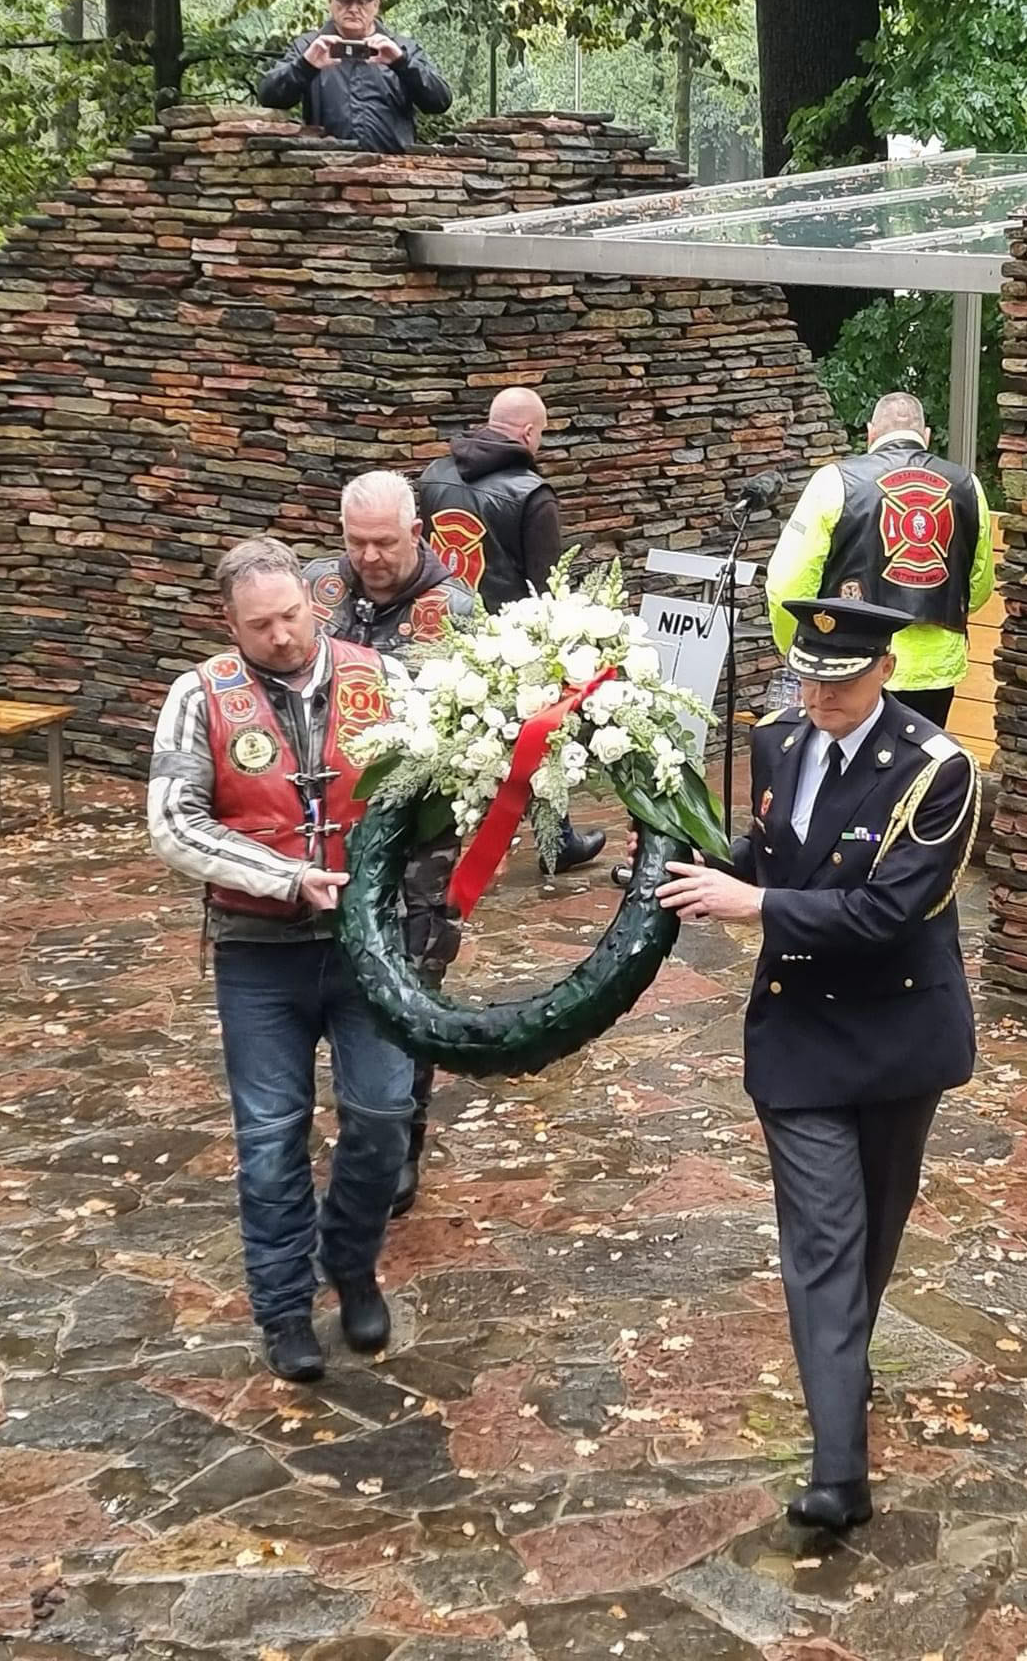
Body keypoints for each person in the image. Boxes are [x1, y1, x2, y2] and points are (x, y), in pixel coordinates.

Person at [656, 597, 979, 1531]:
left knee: (875, 1229)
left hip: (896, 1034)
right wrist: (692, 864)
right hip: (798, 1032)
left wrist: (751, 905)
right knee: (824, 1242)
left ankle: (844, 1362)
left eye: (838, 682)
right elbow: (775, 853)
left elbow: (888, 912)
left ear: (885, 670)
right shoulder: (779, 740)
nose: (818, 697)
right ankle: (840, 1471)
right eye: (806, 679)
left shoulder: (938, 770)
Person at [147, 537, 415, 1384]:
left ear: (313, 603)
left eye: (293, 616)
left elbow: (434, 787)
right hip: (258, 952)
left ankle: (351, 1261)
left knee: (383, 1117)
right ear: (230, 625)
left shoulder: (384, 678)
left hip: (367, 946)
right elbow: (173, 822)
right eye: (260, 625)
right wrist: (285, 876)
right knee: (269, 1140)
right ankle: (284, 1308)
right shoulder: (198, 696)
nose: (283, 636)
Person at [302, 470, 475, 1218]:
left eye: (385, 542)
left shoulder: (456, 610)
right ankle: (355, 1118)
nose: (369, 557)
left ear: (417, 534)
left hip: (416, 835)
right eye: (356, 542)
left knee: (411, 979)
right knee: (330, 981)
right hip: (322, 827)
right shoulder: (313, 592)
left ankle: (401, 1137)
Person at [419, 384, 604, 872]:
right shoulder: (531, 494)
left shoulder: (433, 475)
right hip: (507, 640)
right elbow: (547, 585)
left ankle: (439, 846)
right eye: (540, 434)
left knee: (446, 737)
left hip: (438, 623)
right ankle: (555, 840)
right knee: (536, 736)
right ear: (527, 433)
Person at [766, 391, 994, 728]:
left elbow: (788, 582)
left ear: (871, 432)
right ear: (926, 435)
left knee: (850, 758)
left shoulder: (835, 481)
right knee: (920, 757)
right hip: (935, 670)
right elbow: (980, 585)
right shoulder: (968, 486)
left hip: (849, 662)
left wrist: (795, 647)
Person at [256, 0, 452, 154]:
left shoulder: (401, 48)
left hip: (393, 169)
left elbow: (440, 101)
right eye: (345, 0)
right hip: (326, 167)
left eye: (362, 1)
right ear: (330, 3)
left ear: (376, 5)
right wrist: (305, 66)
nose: (353, 9)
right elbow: (269, 97)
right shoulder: (309, 47)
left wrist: (401, 63)